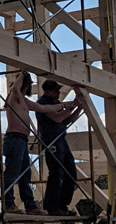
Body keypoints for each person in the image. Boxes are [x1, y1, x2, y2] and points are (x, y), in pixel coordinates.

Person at [2, 72, 67, 215]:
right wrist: (23, 72)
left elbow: (43, 108)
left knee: (25, 174)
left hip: (21, 140)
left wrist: (65, 105)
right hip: (14, 139)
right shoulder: (14, 98)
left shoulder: (24, 101)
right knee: (12, 173)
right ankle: (8, 203)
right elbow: (14, 90)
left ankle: (30, 206)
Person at [33, 79, 82, 216]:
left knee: (70, 171)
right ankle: (52, 205)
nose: (58, 93)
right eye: (56, 91)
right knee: (56, 172)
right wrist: (73, 105)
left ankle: (62, 205)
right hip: (51, 139)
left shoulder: (55, 103)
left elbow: (67, 119)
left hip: (60, 138)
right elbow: (58, 118)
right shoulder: (42, 103)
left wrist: (79, 107)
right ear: (48, 91)